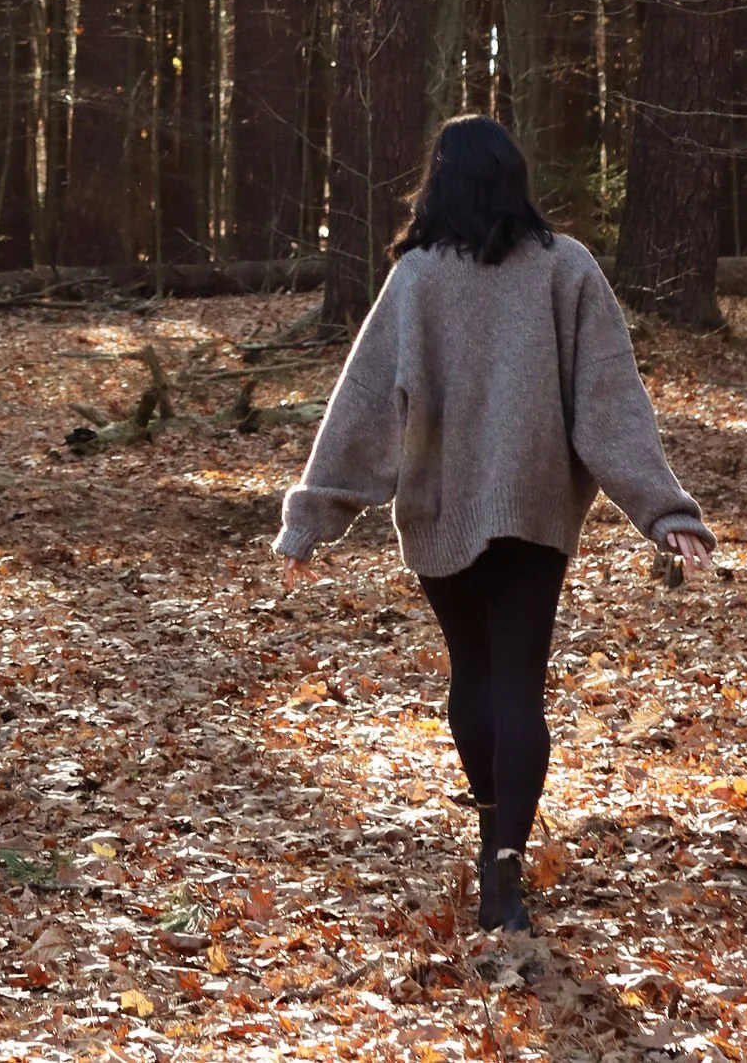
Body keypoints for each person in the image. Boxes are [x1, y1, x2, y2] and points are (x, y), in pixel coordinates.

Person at [273, 115, 714, 936]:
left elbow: (365, 412)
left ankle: (492, 842)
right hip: (535, 510)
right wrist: (665, 512)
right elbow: (611, 408)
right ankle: (503, 866)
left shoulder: (416, 279)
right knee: (516, 683)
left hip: (441, 511)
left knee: (473, 676)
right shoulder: (566, 266)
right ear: (515, 178)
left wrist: (312, 519)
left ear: (439, 182)